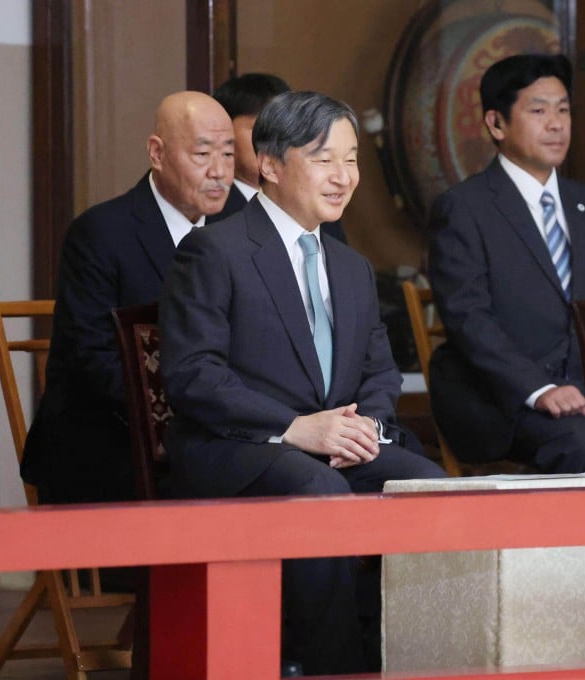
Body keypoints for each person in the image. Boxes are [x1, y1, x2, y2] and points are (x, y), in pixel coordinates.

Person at [159, 91, 444, 676]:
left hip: (337, 446)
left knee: (430, 486)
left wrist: (368, 424)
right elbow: (193, 376)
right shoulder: (214, 251)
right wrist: (295, 429)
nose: (344, 177)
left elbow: (380, 372)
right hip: (240, 447)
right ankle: (330, 665)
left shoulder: (351, 265)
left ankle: (416, 658)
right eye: (323, 159)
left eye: (352, 159)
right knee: (318, 492)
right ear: (269, 162)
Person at [21, 90, 238, 504]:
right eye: (202, 154)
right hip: (110, 434)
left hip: (211, 433)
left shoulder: (239, 230)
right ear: (156, 153)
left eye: (228, 155)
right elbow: (92, 359)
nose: (219, 172)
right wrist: (196, 410)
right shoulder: (102, 233)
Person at [427, 53, 585, 473]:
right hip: (505, 399)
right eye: (538, 110)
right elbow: (468, 319)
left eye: (564, 110)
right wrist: (539, 389)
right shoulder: (464, 208)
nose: (556, 124)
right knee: (582, 444)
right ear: (496, 124)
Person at [214, 72, 347, 244]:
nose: (276, 140)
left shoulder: (316, 204)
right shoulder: (212, 207)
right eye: (259, 128)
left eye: (285, 129)